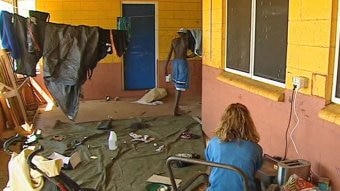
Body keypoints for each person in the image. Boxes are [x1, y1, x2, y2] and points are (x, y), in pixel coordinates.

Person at [205, 103, 263, 191]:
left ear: (224, 121)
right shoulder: (255, 148)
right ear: (248, 123)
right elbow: (254, 170)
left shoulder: (213, 143)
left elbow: (210, 164)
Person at [165, 28, 196, 116]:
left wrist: (165, 67)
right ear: (186, 34)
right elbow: (195, 52)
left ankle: (176, 108)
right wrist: (188, 56)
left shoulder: (174, 41)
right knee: (180, 87)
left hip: (175, 63)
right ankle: (175, 109)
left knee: (177, 85)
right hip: (182, 63)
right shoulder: (186, 42)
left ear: (179, 33)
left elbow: (169, 54)